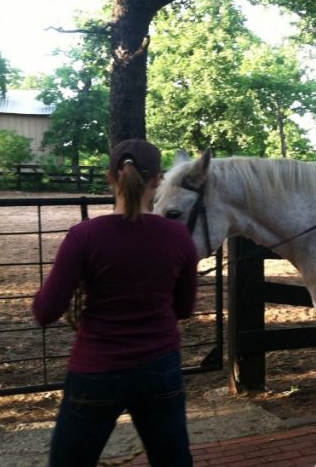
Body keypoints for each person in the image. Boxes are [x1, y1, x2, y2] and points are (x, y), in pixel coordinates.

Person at [32, 139, 199, 467]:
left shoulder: (84, 236)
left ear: (110, 177)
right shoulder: (178, 237)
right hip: (161, 369)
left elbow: (45, 311)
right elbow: (184, 309)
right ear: (157, 180)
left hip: (96, 370)